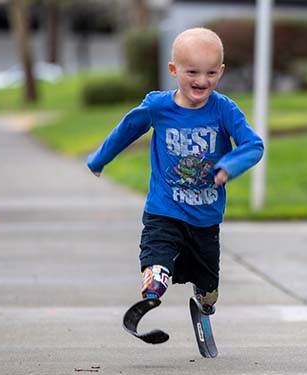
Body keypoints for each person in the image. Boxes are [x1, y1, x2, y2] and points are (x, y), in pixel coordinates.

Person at [87, 27, 264, 315]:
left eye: (210, 73)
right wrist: (100, 159)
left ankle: (205, 296)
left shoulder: (223, 110)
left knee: (209, 289)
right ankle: (155, 279)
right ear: (173, 69)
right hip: (164, 206)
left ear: (221, 71)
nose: (201, 81)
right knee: (157, 249)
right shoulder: (158, 106)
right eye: (192, 72)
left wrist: (229, 165)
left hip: (205, 217)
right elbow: (127, 129)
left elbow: (254, 145)